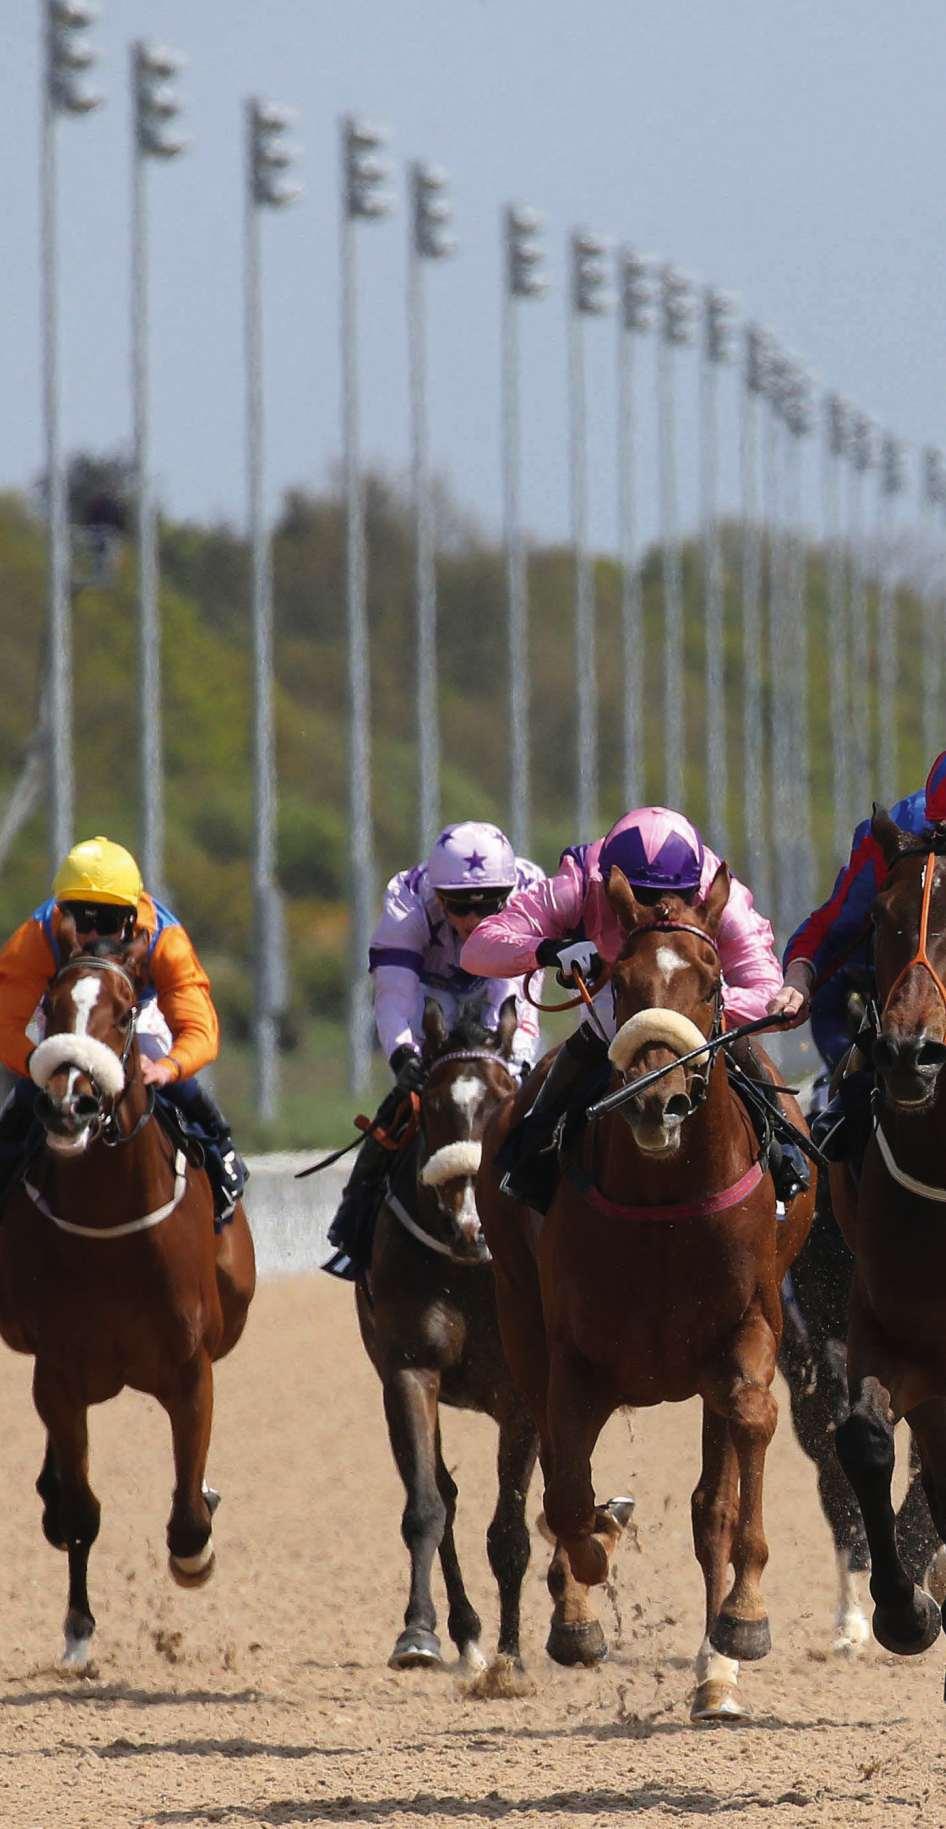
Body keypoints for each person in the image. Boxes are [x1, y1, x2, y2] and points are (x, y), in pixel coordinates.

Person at [460, 805, 808, 1212]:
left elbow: (769, 994)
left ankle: (786, 1147)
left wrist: (686, 1000)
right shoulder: (579, 882)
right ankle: (531, 1151)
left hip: (695, 1000)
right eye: (639, 897)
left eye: (672, 898)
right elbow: (477, 949)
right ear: (612, 882)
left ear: (694, 890)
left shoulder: (721, 897)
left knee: (731, 1037)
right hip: (619, 993)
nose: (656, 910)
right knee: (597, 1034)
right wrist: (547, 950)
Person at [324, 821, 544, 1280]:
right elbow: (394, 994)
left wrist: (517, 1060)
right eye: (459, 906)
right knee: (397, 1112)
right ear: (438, 898)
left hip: (501, 982)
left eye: (488, 904)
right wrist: (403, 1054)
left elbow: (518, 996)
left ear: (507, 895)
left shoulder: (528, 894)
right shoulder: (407, 901)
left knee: (529, 1100)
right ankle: (354, 1228)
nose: (473, 920)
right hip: (431, 991)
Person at [0, 835, 246, 1222]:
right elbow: (5, 1024)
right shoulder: (38, 936)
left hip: (133, 1015)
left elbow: (199, 1029)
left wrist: (168, 1068)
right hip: (67, 1015)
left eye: (108, 922)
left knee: (170, 1074)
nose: (94, 935)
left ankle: (220, 1151)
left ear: (131, 919)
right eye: (82, 919)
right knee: (28, 1094)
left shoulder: (165, 940)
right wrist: (37, 1062)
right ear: (62, 914)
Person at [769, 749, 946, 1159]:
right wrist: (798, 978)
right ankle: (833, 1115)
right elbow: (837, 923)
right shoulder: (899, 833)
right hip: (877, 994)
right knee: (848, 1110)